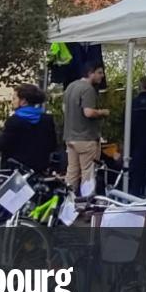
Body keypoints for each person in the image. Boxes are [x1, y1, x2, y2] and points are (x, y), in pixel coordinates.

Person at [0, 84, 57, 174]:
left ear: (23, 101)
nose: (12, 102)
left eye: (14, 98)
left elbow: (0, 145)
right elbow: (52, 145)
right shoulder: (47, 119)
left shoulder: (15, 120)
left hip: (16, 173)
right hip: (39, 171)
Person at [62, 63, 110, 194]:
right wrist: (103, 112)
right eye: (99, 72)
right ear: (90, 73)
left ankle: (68, 202)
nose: (102, 76)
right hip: (86, 138)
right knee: (88, 174)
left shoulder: (71, 86)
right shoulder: (88, 89)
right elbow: (88, 112)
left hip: (70, 137)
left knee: (71, 172)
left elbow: (64, 109)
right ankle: (85, 206)